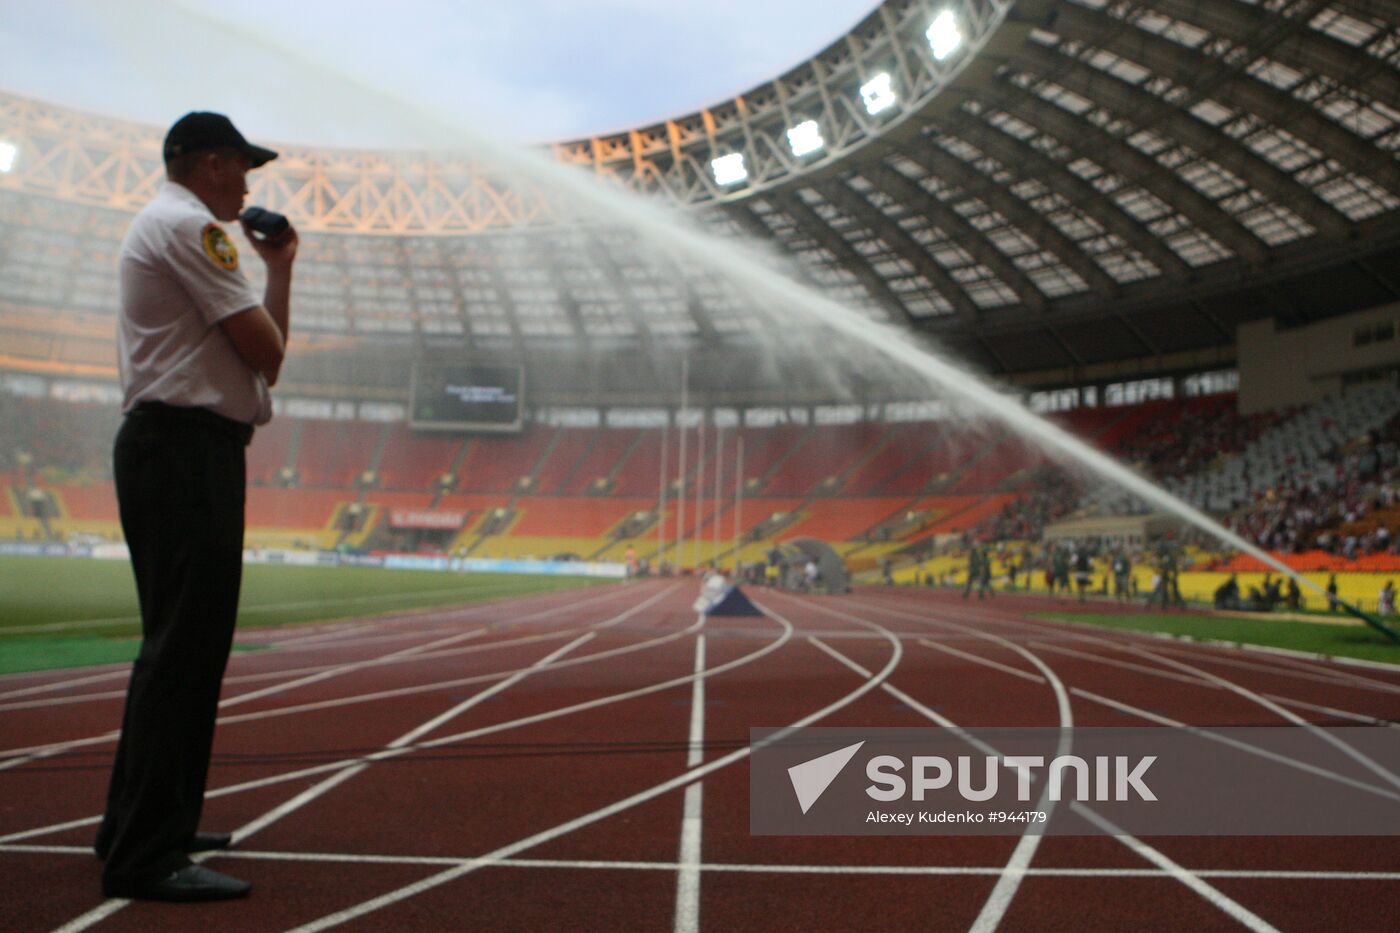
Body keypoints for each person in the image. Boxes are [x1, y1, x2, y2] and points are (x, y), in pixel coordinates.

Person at [95, 113, 297, 902]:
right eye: (243, 167)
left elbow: (265, 357)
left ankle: (144, 823)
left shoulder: (176, 226)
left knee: (176, 648)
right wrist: (267, 277)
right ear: (211, 163)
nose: (248, 185)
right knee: (183, 652)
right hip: (185, 450)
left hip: (179, 447)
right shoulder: (190, 228)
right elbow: (270, 354)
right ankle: (147, 852)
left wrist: (279, 267)